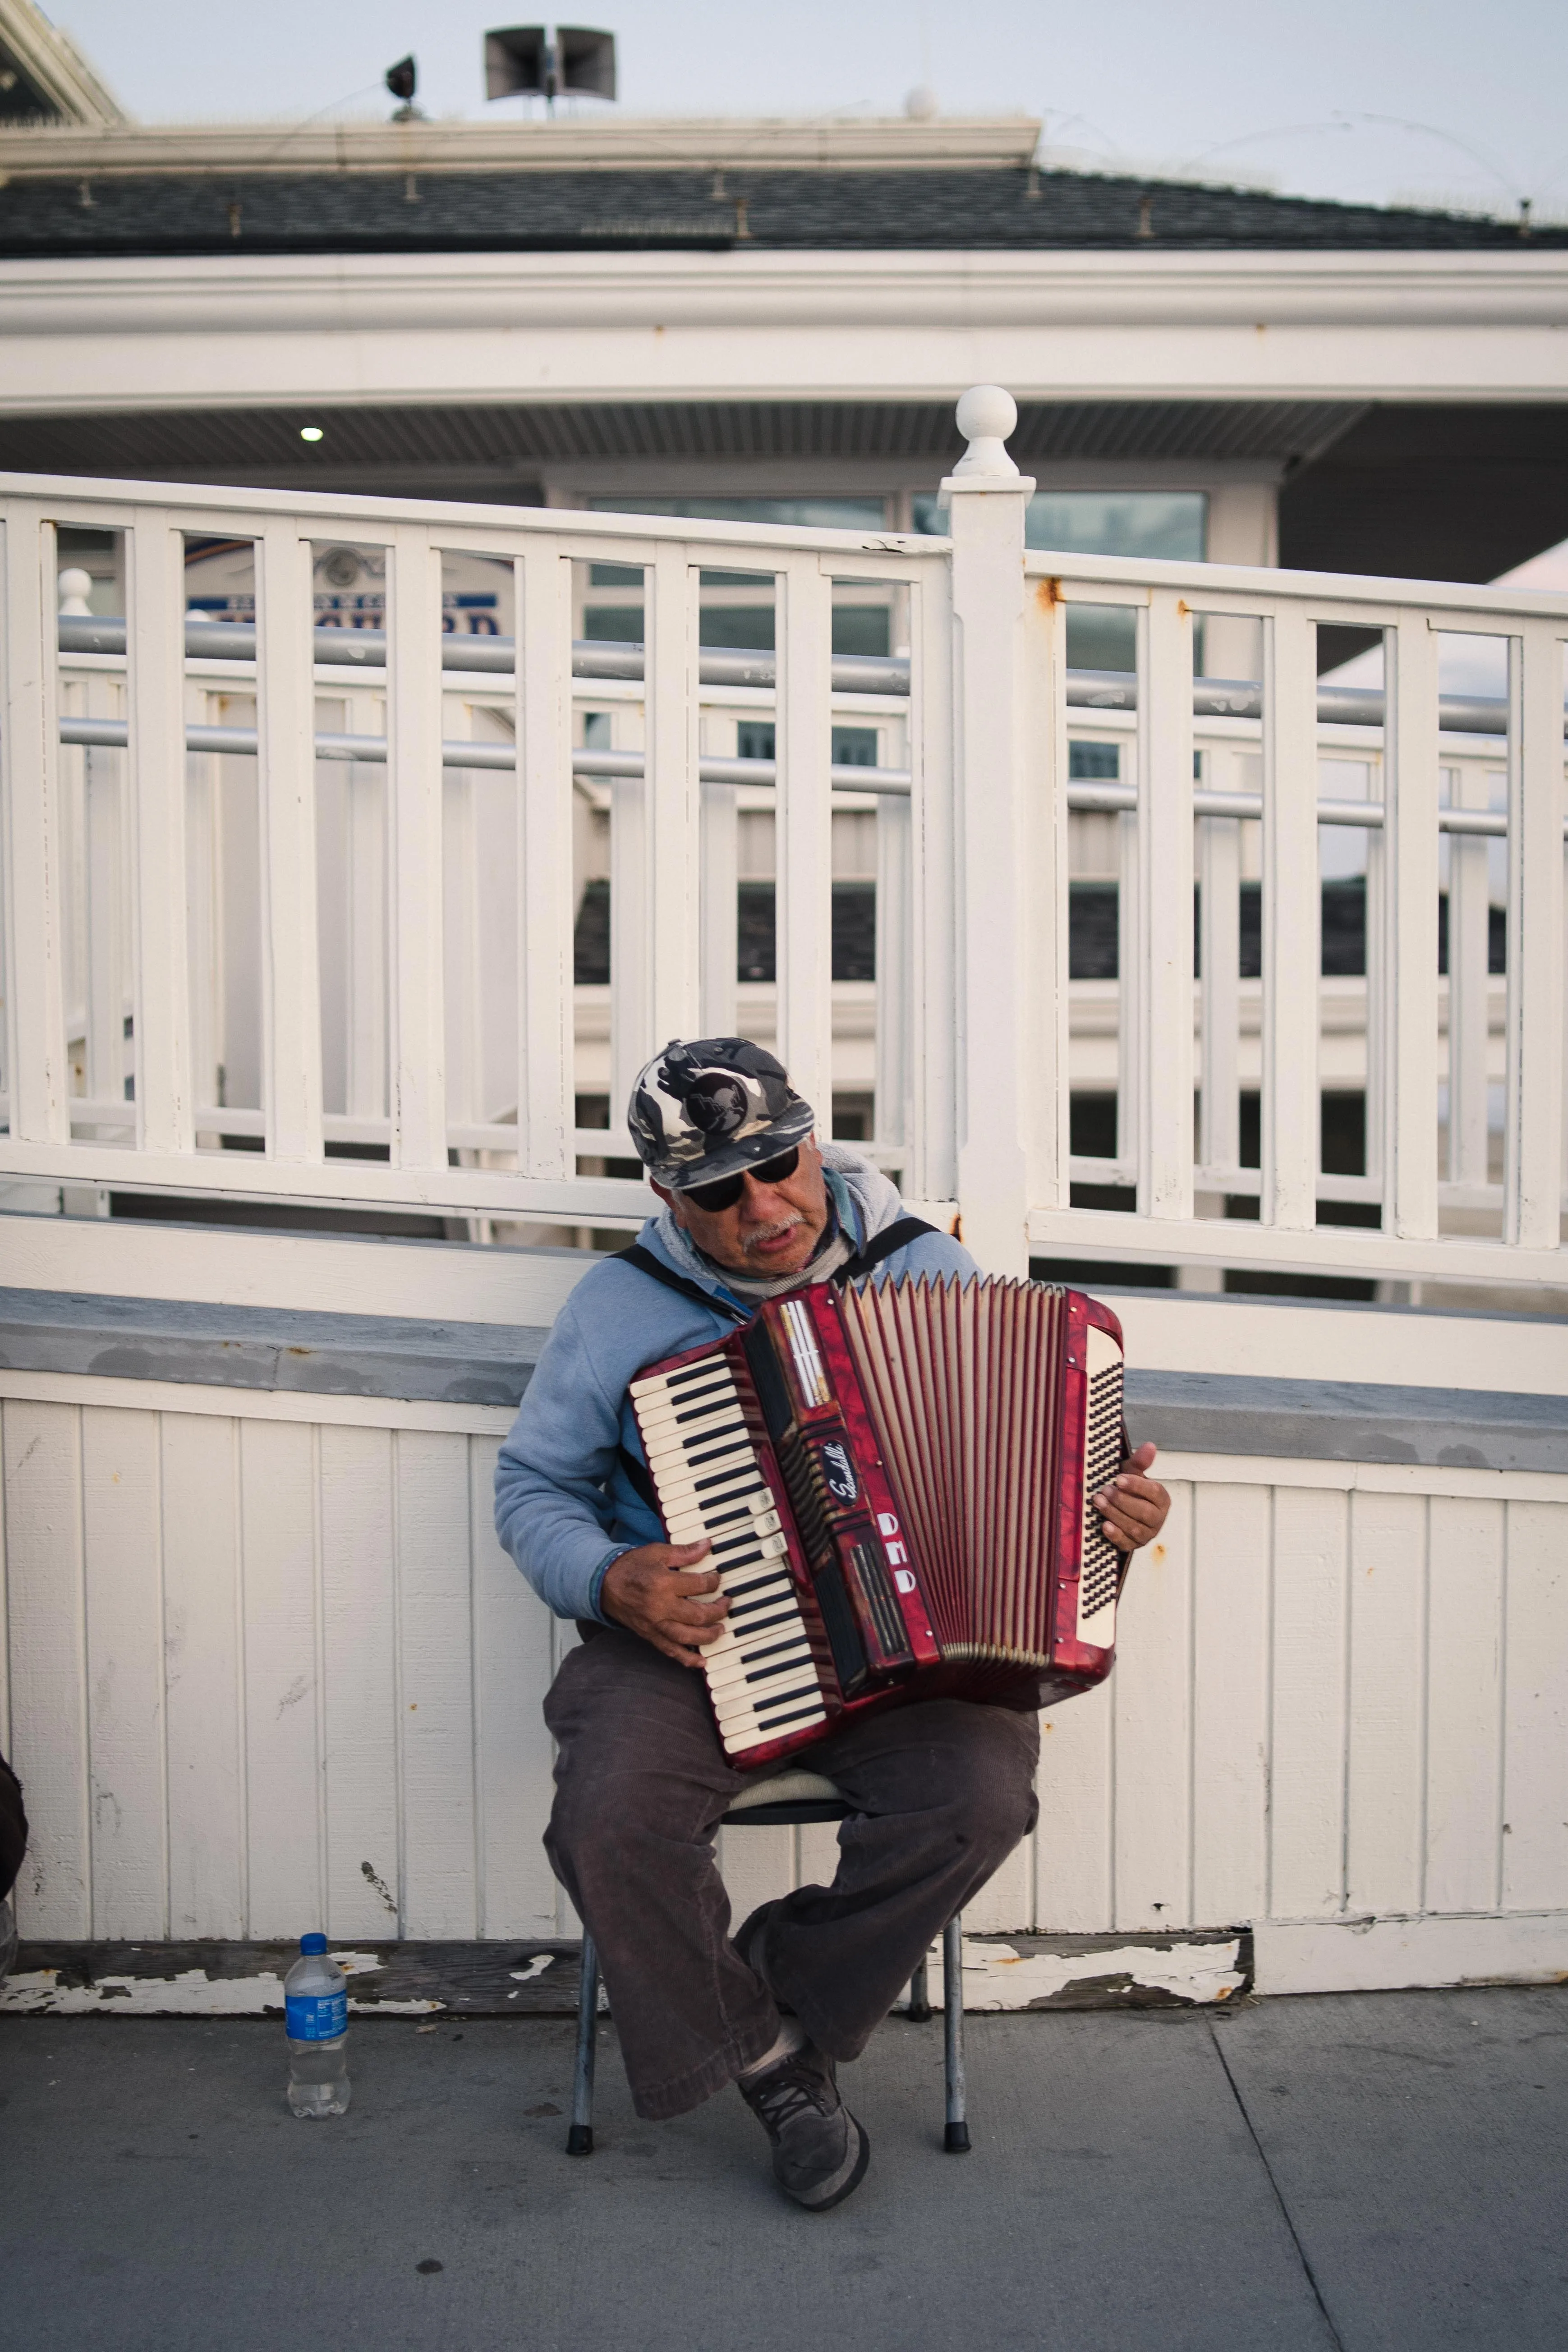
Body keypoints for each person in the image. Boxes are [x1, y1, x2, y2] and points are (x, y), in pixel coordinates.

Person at [495, 1038, 1170, 2211]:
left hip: (904, 1650)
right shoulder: (618, 1309)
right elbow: (530, 1489)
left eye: (781, 1165)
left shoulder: (928, 1266)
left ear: (816, 1141)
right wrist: (610, 1580)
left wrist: (1112, 1516)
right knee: (605, 1817)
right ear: (668, 1197)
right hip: (692, 1639)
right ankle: (769, 2059)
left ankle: (777, 1988)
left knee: (978, 1799)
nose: (764, 1207)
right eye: (719, 1191)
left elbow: (1040, 1476)